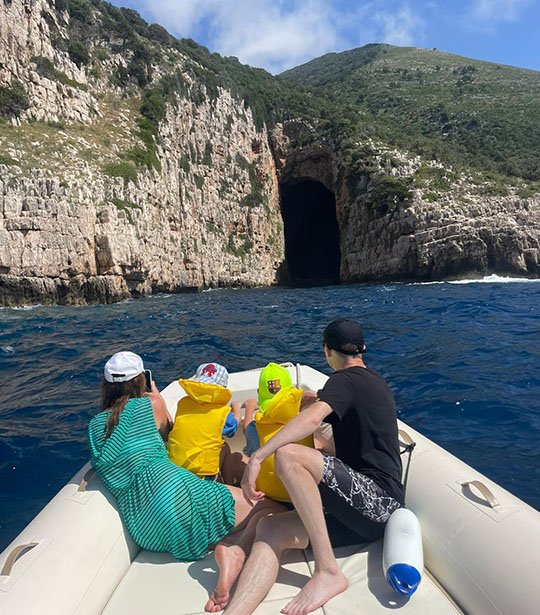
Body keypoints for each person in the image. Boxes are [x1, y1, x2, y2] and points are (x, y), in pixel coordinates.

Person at [223, 318, 404, 615]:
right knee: (270, 528)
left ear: (326, 352)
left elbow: (311, 419)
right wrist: (311, 399)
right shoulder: (372, 382)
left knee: (288, 455)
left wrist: (257, 457)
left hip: (379, 503)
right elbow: (328, 421)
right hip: (358, 516)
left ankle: (328, 571)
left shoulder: (345, 381)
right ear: (362, 349)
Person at [88, 351, 284, 603]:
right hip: (177, 492)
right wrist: (155, 395)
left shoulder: (94, 427)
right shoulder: (151, 404)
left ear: (106, 387)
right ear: (142, 380)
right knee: (272, 510)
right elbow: (169, 432)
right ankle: (233, 549)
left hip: (144, 527)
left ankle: (228, 543)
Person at [168, 362, 242, 481]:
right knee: (225, 447)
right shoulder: (222, 412)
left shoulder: (183, 403)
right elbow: (232, 430)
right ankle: (229, 486)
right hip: (203, 476)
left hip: (176, 468)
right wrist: (237, 411)